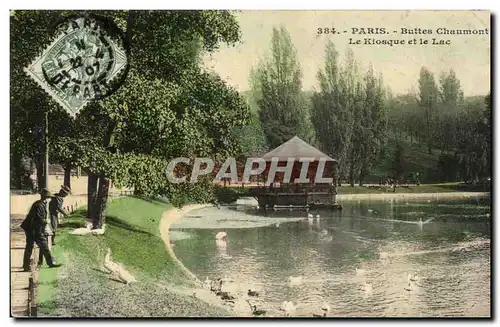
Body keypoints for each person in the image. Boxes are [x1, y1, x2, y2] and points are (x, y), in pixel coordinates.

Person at [20, 188, 62, 271]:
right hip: (33, 229)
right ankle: (49, 263)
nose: (49, 199)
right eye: (48, 197)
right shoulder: (39, 205)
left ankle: (26, 266)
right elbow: (39, 218)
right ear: (45, 198)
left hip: (34, 228)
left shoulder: (40, 204)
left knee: (32, 247)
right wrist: (46, 221)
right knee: (40, 246)